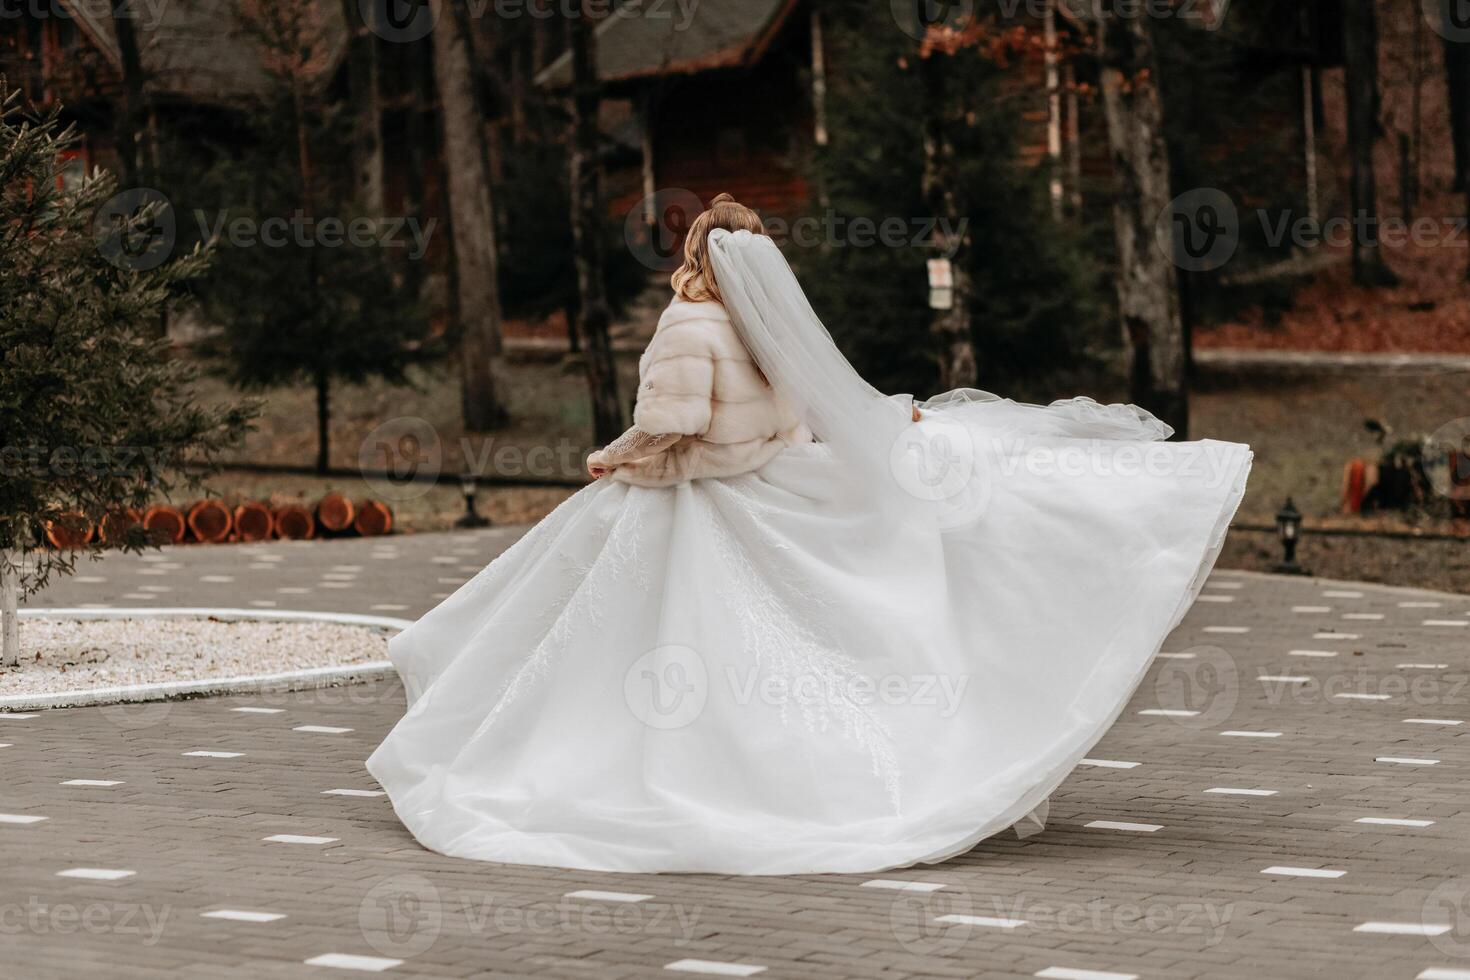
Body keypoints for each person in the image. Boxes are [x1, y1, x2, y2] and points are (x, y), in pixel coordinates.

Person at [366, 193, 1252, 875]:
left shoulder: (690, 323)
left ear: (693, 256)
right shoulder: (766, 329)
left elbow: (673, 428)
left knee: (593, 634)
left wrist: (613, 461)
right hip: (767, 482)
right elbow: (795, 424)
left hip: (696, 492)